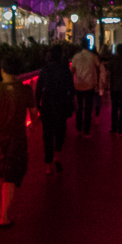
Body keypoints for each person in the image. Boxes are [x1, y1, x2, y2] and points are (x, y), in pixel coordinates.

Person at [0, 54, 38, 228]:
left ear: (2, 70)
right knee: (11, 176)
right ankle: (5, 215)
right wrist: (33, 125)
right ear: (18, 71)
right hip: (17, 137)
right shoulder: (26, 90)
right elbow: (33, 112)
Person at [35, 44, 74, 173]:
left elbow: (39, 88)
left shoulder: (45, 69)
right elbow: (71, 88)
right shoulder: (65, 70)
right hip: (61, 103)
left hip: (47, 104)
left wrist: (37, 104)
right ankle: (57, 155)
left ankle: (48, 165)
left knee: (47, 134)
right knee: (60, 131)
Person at [70, 41, 100, 136]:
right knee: (88, 109)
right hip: (90, 85)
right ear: (88, 46)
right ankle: (86, 131)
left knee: (79, 108)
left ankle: (79, 129)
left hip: (78, 84)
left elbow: (72, 71)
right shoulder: (93, 57)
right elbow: (98, 69)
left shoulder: (76, 57)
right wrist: (97, 81)